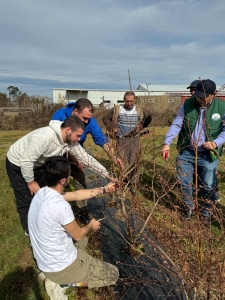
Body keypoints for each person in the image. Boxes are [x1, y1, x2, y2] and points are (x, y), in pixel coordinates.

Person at [28, 156, 119, 299]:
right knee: (113, 274)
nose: (71, 175)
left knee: (84, 242)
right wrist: (90, 225)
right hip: (60, 267)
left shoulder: (42, 192)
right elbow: (78, 235)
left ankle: (55, 276)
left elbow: (76, 194)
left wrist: (104, 189)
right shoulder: (61, 206)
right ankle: (62, 283)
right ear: (62, 180)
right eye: (69, 173)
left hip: (45, 260)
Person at [6, 116, 112, 235]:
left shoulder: (69, 141)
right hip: (18, 163)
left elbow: (86, 159)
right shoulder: (44, 137)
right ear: (67, 130)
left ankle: (44, 220)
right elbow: (26, 161)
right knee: (25, 198)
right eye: (77, 136)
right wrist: (30, 182)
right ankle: (31, 232)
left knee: (44, 193)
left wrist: (107, 175)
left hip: (38, 164)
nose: (79, 139)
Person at [161, 79, 225, 224]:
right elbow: (177, 124)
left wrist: (216, 143)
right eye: (197, 95)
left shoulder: (222, 108)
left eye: (202, 96)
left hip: (208, 154)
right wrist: (167, 143)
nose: (199, 98)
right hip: (187, 151)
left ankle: (205, 214)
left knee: (208, 185)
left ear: (213, 94)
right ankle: (188, 208)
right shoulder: (188, 104)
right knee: (184, 182)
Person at [52, 98, 123, 219]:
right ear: (75, 111)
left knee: (80, 178)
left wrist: (113, 157)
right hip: (58, 153)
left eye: (89, 119)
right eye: (84, 118)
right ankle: (57, 207)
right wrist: (73, 159)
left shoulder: (90, 121)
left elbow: (101, 138)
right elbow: (58, 144)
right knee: (60, 180)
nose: (86, 121)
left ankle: (82, 210)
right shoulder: (59, 116)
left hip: (77, 151)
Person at [103, 91, 152, 193]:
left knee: (134, 162)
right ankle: (121, 182)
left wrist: (142, 126)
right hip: (121, 139)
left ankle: (133, 184)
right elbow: (105, 118)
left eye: (131, 101)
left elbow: (149, 118)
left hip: (134, 139)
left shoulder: (139, 109)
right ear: (124, 100)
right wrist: (112, 127)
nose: (129, 103)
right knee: (122, 162)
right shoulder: (117, 109)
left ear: (134, 100)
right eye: (127, 101)